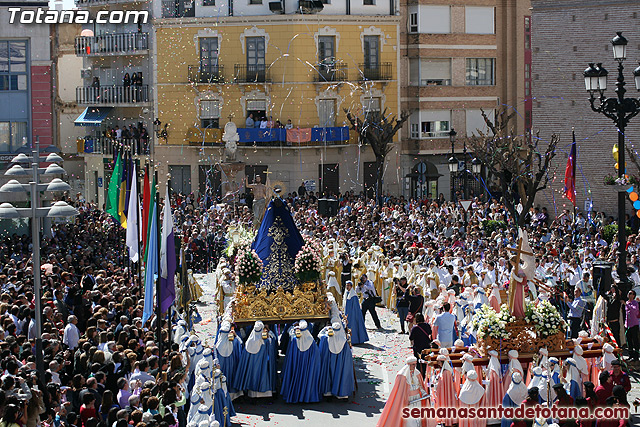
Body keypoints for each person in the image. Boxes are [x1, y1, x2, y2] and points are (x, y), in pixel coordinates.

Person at [376, 356, 428, 427]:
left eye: (415, 364)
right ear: (409, 365)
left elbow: (420, 386)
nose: (415, 366)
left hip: (417, 399)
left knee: (417, 419)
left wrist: (424, 393)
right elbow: (400, 392)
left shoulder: (417, 373)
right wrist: (405, 400)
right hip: (408, 400)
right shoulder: (401, 376)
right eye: (413, 364)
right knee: (410, 421)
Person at [280, 320, 321, 403]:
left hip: (296, 365)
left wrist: (293, 327)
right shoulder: (311, 340)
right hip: (308, 367)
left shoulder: (295, 340)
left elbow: (289, 332)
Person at [318, 322, 355, 399]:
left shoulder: (326, 339)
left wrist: (326, 329)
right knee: (340, 374)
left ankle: (328, 393)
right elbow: (349, 353)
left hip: (329, 360)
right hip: (340, 362)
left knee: (329, 374)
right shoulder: (344, 340)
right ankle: (341, 394)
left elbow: (319, 335)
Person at [343, 280, 369, 344]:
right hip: (347, 313)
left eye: (348, 286)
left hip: (353, 314)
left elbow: (355, 307)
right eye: (347, 285)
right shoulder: (347, 293)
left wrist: (352, 316)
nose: (347, 287)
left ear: (351, 286)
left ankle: (354, 340)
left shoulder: (353, 295)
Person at [624, 290, 639, 361]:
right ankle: (631, 355)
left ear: (633, 295)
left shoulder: (635, 303)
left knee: (635, 340)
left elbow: (634, 310)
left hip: (634, 324)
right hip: (628, 325)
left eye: (631, 294)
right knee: (628, 340)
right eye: (628, 293)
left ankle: (636, 356)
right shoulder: (627, 302)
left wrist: (627, 305)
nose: (629, 295)